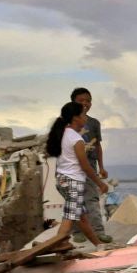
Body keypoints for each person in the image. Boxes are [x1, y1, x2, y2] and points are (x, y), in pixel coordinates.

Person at [46, 102, 110, 247]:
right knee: (70, 218)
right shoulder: (76, 139)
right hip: (72, 182)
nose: (85, 118)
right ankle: (56, 246)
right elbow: (85, 166)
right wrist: (100, 183)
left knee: (81, 218)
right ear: (75, 118)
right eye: (82, 115)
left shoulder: (63, 133)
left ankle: (99, 246)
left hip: (62, 180)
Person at [69, 87, 112, 244]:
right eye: (81, 101)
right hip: (73, 166)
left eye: (88, 100)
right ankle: (77, 232)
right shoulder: (67, 122)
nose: (85, 103)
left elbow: (98, 146)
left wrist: (101, 167)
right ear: (73, 102)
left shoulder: (94, 123)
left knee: (92, 198)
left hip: (91, 166)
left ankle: (99, 231)